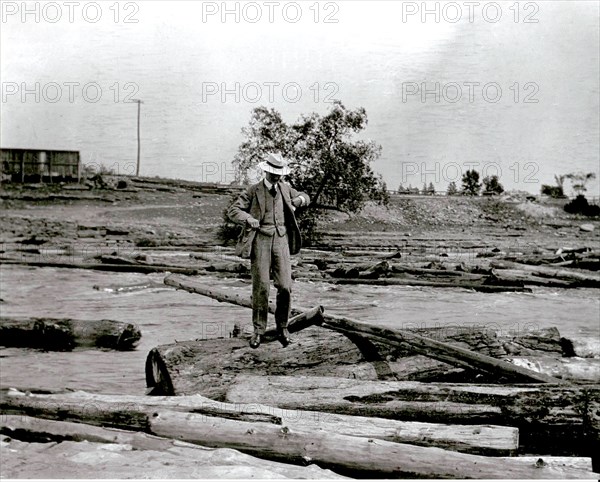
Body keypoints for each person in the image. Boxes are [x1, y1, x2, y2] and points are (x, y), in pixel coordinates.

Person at [228, 153, 310, 349]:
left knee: (285, 286)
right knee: (262, 287)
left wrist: (298, 201)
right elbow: (233, 211)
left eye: (279, 173)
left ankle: (283, 327)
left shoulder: (285, 188)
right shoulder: (253, 190)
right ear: (265, 171)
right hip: (261, 241)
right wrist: (248, 219)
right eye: (273, 173)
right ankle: (259, 331)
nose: (276, 177)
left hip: (281, 241)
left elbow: (305, 197)